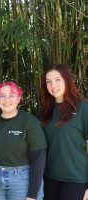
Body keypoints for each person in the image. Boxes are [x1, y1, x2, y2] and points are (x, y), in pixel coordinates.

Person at [0, 81, 46, 200]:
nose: (6, 100)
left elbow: (39, 158)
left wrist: (32, 194)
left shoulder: (30, 122)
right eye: (2, 95)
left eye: (11, 95)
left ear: (19, 99)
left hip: (22, 179)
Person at [40, 64, 88, 200]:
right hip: (49, 177)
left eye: (57, 80)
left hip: (76, 178)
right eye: (48, 82)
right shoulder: (46, 111)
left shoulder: (83, 108)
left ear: (67, 80)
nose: (53, 85)